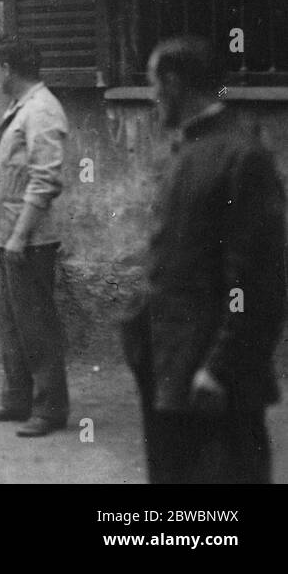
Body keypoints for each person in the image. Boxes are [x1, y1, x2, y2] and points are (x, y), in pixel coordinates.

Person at [121, 36, 286, 483]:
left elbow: (255, 279)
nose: (153, 98)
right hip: (171, 368)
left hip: (211, 379)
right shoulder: (191, 150)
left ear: (173, 84)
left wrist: (221, 367)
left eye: (155, 85)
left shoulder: (241, 156)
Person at [0, 34, 70, 438]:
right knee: (12, 321)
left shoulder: (41, 110)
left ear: (8, 68)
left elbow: (45, 179)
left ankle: (50, 408)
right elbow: (13, 172)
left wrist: (20, 236)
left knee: (36, 323)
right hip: (9, 234)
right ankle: (17, 399)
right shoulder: (22, 109)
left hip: (30, 239)